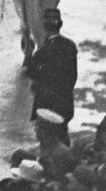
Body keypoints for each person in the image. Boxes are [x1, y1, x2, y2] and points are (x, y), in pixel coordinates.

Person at [25, 7, 79, 144]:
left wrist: (29, 54)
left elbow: (32, 74)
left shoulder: (43, 52)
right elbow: (73, 77)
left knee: (48, 141)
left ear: (44, 28)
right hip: (65, 104)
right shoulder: (70, 46)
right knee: (63, 137)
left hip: (47, 107)